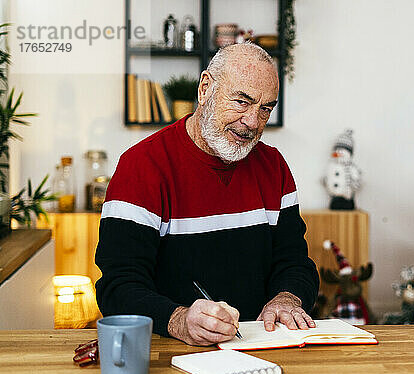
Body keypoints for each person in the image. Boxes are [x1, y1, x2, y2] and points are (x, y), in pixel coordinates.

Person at [95, 43, 319, 346]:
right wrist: (180, 321)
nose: (252, 122)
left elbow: (295, 262)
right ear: (205, 89)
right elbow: (117, 287)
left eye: (265, 108)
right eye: (242, 101)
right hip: (169, 352)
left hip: (260, 347)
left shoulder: (274, 166)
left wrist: (286, 298)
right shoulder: (141, 166)